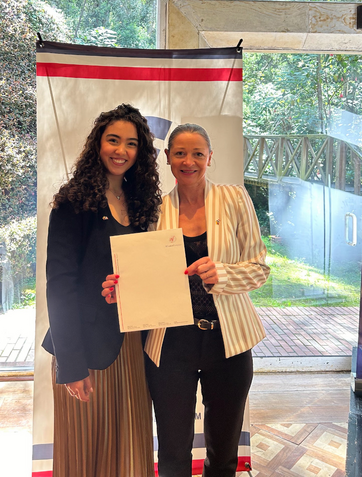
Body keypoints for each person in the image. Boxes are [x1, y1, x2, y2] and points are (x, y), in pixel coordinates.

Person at [103, 123, 270, 477]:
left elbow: (259, 269)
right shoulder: (155, 210)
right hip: (170, 343)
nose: (188, 161)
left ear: (210, 157)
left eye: (197, 153)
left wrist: (222, 274)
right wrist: (123, 288)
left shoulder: (235, 199)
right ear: (167, 157)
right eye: (180, 153)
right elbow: (143, 273)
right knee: (173, 453)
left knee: (224, 455)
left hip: (229, 341)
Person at [42, 104, 161, 477]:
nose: (121, 151)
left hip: (132, 346)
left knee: (130, 453)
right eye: (113, 140)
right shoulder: (73, 202)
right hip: (86, 349)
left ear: (140, 152)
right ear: (98, 143)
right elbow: (59, 286)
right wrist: (71, 364)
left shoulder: (141, 203)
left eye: (131, 143)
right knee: (86, 455)